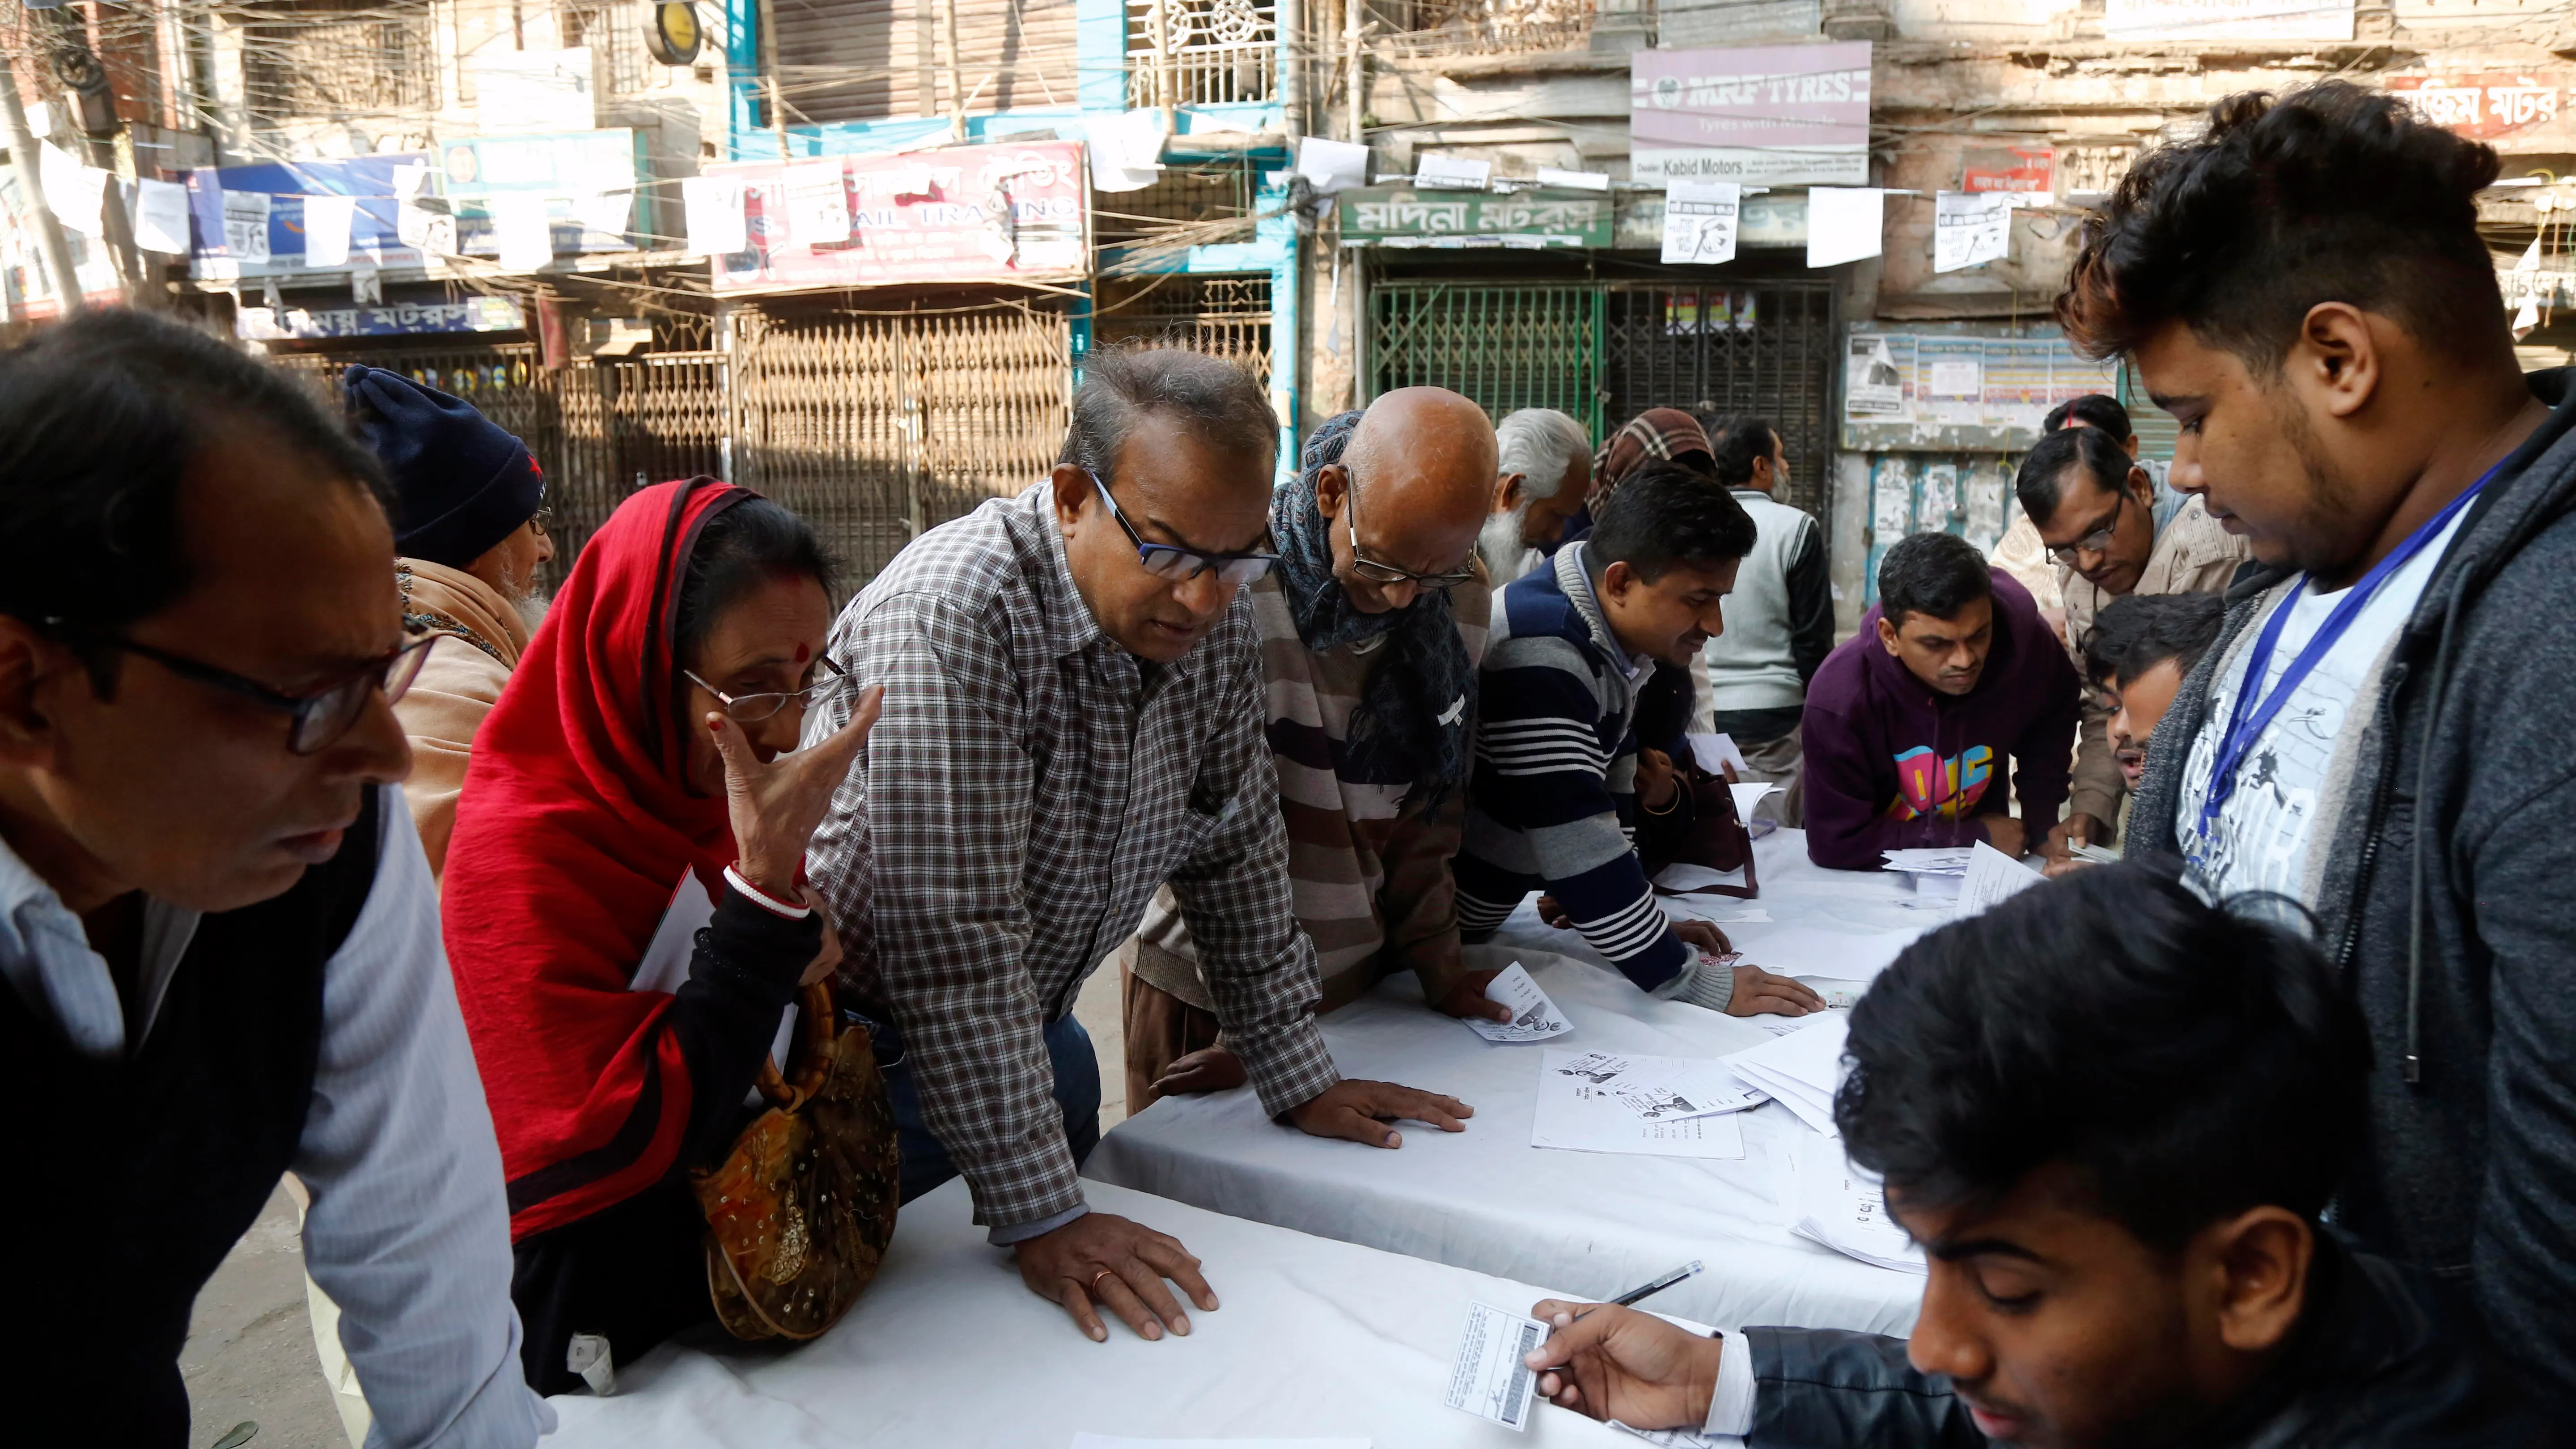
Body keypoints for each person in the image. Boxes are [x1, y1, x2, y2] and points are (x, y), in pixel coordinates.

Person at [803, 347, 1473, 1346]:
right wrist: (1043, 1213)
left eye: (1240, 560)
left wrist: (1297, 1072)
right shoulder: (954, 619)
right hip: (863, 1069)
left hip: (1030, 1043)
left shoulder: (1209, 621)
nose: (1206, 600)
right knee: (914, 1362)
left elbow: (1236, 848)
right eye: (1170, 553)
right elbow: (954, 947)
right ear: (1074, 497)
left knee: (1066, 1347)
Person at [2072, 81, 2576, 1398]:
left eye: (2191, 416)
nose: (2178, 471)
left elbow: (2556, 1256)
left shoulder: (2549, 642)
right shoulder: (2291, 581)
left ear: (2339, 360)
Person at [0, 309, 551, 1445]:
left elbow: (422, 1243)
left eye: (375, 669)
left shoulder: (328, 831)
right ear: (23, 688)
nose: (386, 756)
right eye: (302, 693)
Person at [1517, 864, 2555, 1446]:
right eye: (1925, 1259)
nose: (1931, 1341)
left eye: (2004, 1286)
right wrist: (1716, 1377)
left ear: (2247, 1273)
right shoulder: (2196, 1360)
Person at [439, 479, 880, 1393]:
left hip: (748, 1258)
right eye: (756, 690)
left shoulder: (701, 800)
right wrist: (763, 914)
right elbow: (612, 1135)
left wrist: (793, 937)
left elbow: (763, 1011)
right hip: (597, 1302)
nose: (790, 728)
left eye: (808, 683)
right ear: (636, 661)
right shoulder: (526, 845)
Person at [1125, 391, 1511, 1112]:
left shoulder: (1458, 597)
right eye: (1381, 565)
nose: (1402, 600)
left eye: (1434, 574)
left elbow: (1432, 809)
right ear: (1333, 494)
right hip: (1207, 992)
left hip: (1356, 981)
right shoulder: (1233, 588)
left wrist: (1439, 961)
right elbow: (1195, 831)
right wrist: (1259, 1032)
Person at [1454, 465, 1823, 1018]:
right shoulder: (1543, 647)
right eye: (1698, 600)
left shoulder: (1603, 632)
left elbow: (1612, 789)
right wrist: (1690, 980)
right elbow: (1580, 844)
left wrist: (1645, 924)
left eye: (1720, 599)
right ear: (1621, 582)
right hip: (1437, 931)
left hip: (1475, 916)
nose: (1715, 625)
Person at [343, 364, 555, 881]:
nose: (546, 548)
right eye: (533, 523)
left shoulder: (372, 650)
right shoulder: (461, 691)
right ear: (475, 551)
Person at [2015, 421, 2247, 860]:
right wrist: (2092, 808)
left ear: (2139, 488)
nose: (2087, 560)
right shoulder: (2081, 581)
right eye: (2063, 549)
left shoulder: (2217, 548)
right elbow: (2105, 706)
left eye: (2098, 531)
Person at [1801, 531, 2080, 870]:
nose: (1964, 660)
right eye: (1937, 645)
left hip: (1978, 875)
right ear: (1891, 636)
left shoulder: (2027, 646)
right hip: (1864, 884)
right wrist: (1972, 837)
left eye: (1979, 636)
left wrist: (2041, 825)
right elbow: (1836, 842)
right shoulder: (1840, 698)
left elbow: (2052, 724)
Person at [1697, 418, 1830, 825]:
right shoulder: (1796, 527)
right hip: (1776, 718)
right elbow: (1813, 640)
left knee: (1717, 831)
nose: (1786, 467)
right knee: (1776, 837)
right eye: (1782, 457)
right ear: (1761, 466)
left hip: (1705, 713)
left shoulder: (1694, 525)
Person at [1480, 407, 1590, 584]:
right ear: (1513, 490)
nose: (1557, 535)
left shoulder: (1530, 563)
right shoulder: (1440, 547)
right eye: (1556, 516)